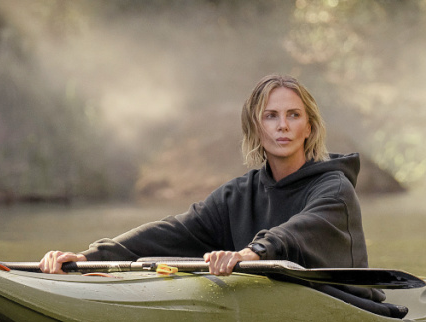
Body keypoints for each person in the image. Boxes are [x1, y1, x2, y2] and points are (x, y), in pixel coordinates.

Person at [39, 74, 368, 277]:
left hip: (347, 307)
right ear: (255, 128)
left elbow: (299, 232)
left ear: (309, 127)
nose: (283, 125)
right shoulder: (237, 196)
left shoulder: (335, 188)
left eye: (293, 115)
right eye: (271, 116)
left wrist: (248, 254)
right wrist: (89, 257)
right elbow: (173, 232)